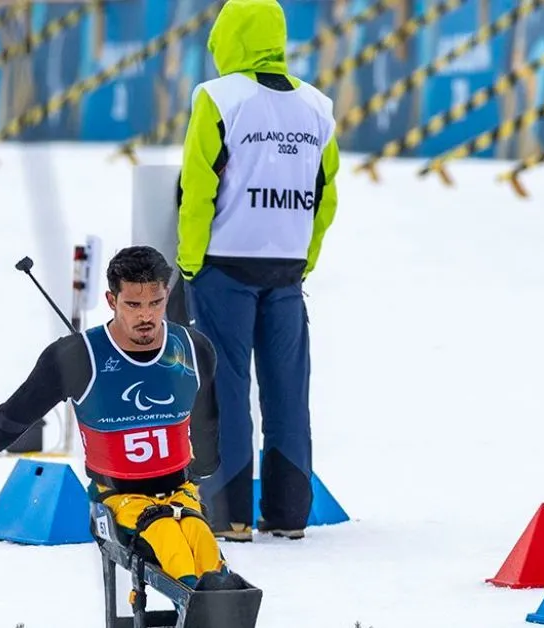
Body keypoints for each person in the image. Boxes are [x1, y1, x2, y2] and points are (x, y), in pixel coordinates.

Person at [0, 246, 240, 591]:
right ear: (111, 300)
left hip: (180, 493)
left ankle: (219, 602)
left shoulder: (193, 350)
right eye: (133, 305)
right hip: (118, 499)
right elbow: (13, 418)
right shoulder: (77, 357)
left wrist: (203, 467)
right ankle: (203, 603)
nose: (146, 316)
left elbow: (207, 423)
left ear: (166, 295)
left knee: (206, 553)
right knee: (173, 548)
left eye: (155, 303)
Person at [176, 0, 340, 542]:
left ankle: (231, 516)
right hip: (287, 269)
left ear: (227, 37)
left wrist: (189, 260)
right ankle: (289, 514)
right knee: (288, 393)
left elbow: (198, 186)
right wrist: (305, 258)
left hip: (224, 265)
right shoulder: (317, 105)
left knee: (224, 390)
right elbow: (325, 195)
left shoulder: (217, 97)